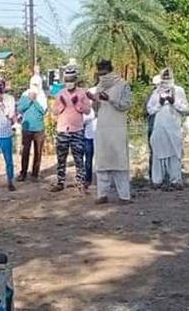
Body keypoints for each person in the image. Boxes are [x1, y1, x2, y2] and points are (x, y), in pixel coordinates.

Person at [90, 59, 133, 203]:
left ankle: (124, 196)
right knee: (102, 163)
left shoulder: (123, 85)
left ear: (110, 71)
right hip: (102, 127)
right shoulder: (99, 86)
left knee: (119, 163)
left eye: (104, 73)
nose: (102, 76)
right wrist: (94, 101)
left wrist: (110, 99)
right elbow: (96, 110)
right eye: (99, 73)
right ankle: (102, 195)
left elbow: (126, 105)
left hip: (117, 128)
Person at [146, 68, 189, 189]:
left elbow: (186, 109)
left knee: (175, 154)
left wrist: (174, 102)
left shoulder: (179, 91)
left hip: (174, 128)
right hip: (159, 128)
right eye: (164, 77)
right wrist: (159, 103)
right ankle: (157, 180)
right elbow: (149, 110)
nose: (166, 80)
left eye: (167, 77)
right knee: (157, 154)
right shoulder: (156, 93)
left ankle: (175, 180)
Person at [51, 67, 92, 192]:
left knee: (78, 157)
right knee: (61, 157)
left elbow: (88, 110)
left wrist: (77, 105)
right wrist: (62, 106)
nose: (69, 82)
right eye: (67, 80)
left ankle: (80, 182)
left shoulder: (82, 93)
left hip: (77, 130)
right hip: (63, 130)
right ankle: (60, 182)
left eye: (71, 80)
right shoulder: (60, 94)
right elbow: (54, 111)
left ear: (75, 80)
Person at [17, 75, 47, 182]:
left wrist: (35, 100)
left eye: (36, 84)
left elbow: (43, 111)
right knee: (25, 151)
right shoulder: (25, 95)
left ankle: (35, 174)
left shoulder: (42, 95)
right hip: (27, 127)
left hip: (39, 128)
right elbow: (20, 109)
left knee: (38, 152)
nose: (35, 86)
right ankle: (23, 173)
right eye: (33, 84)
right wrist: (29, 100)